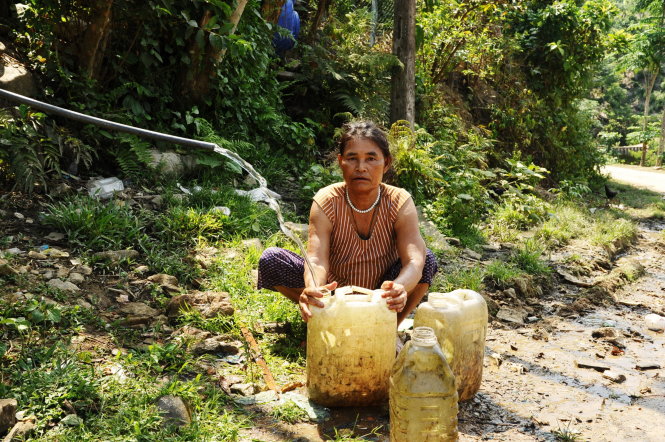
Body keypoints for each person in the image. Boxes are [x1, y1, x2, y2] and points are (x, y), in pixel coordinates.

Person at [258, 121, 438, 325]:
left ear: (386, 163)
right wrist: (315, 287)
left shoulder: (399, 201)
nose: (361, 168)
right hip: (335, 294)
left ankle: (388, 328)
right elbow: (316, 259)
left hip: (382, 293)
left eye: (371, 158)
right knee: (271, 259)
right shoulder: (326, 200)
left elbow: (414, 260)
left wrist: (400, 287)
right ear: (341, 161)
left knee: (427, 259)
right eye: (352, 158)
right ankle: (324, 319)